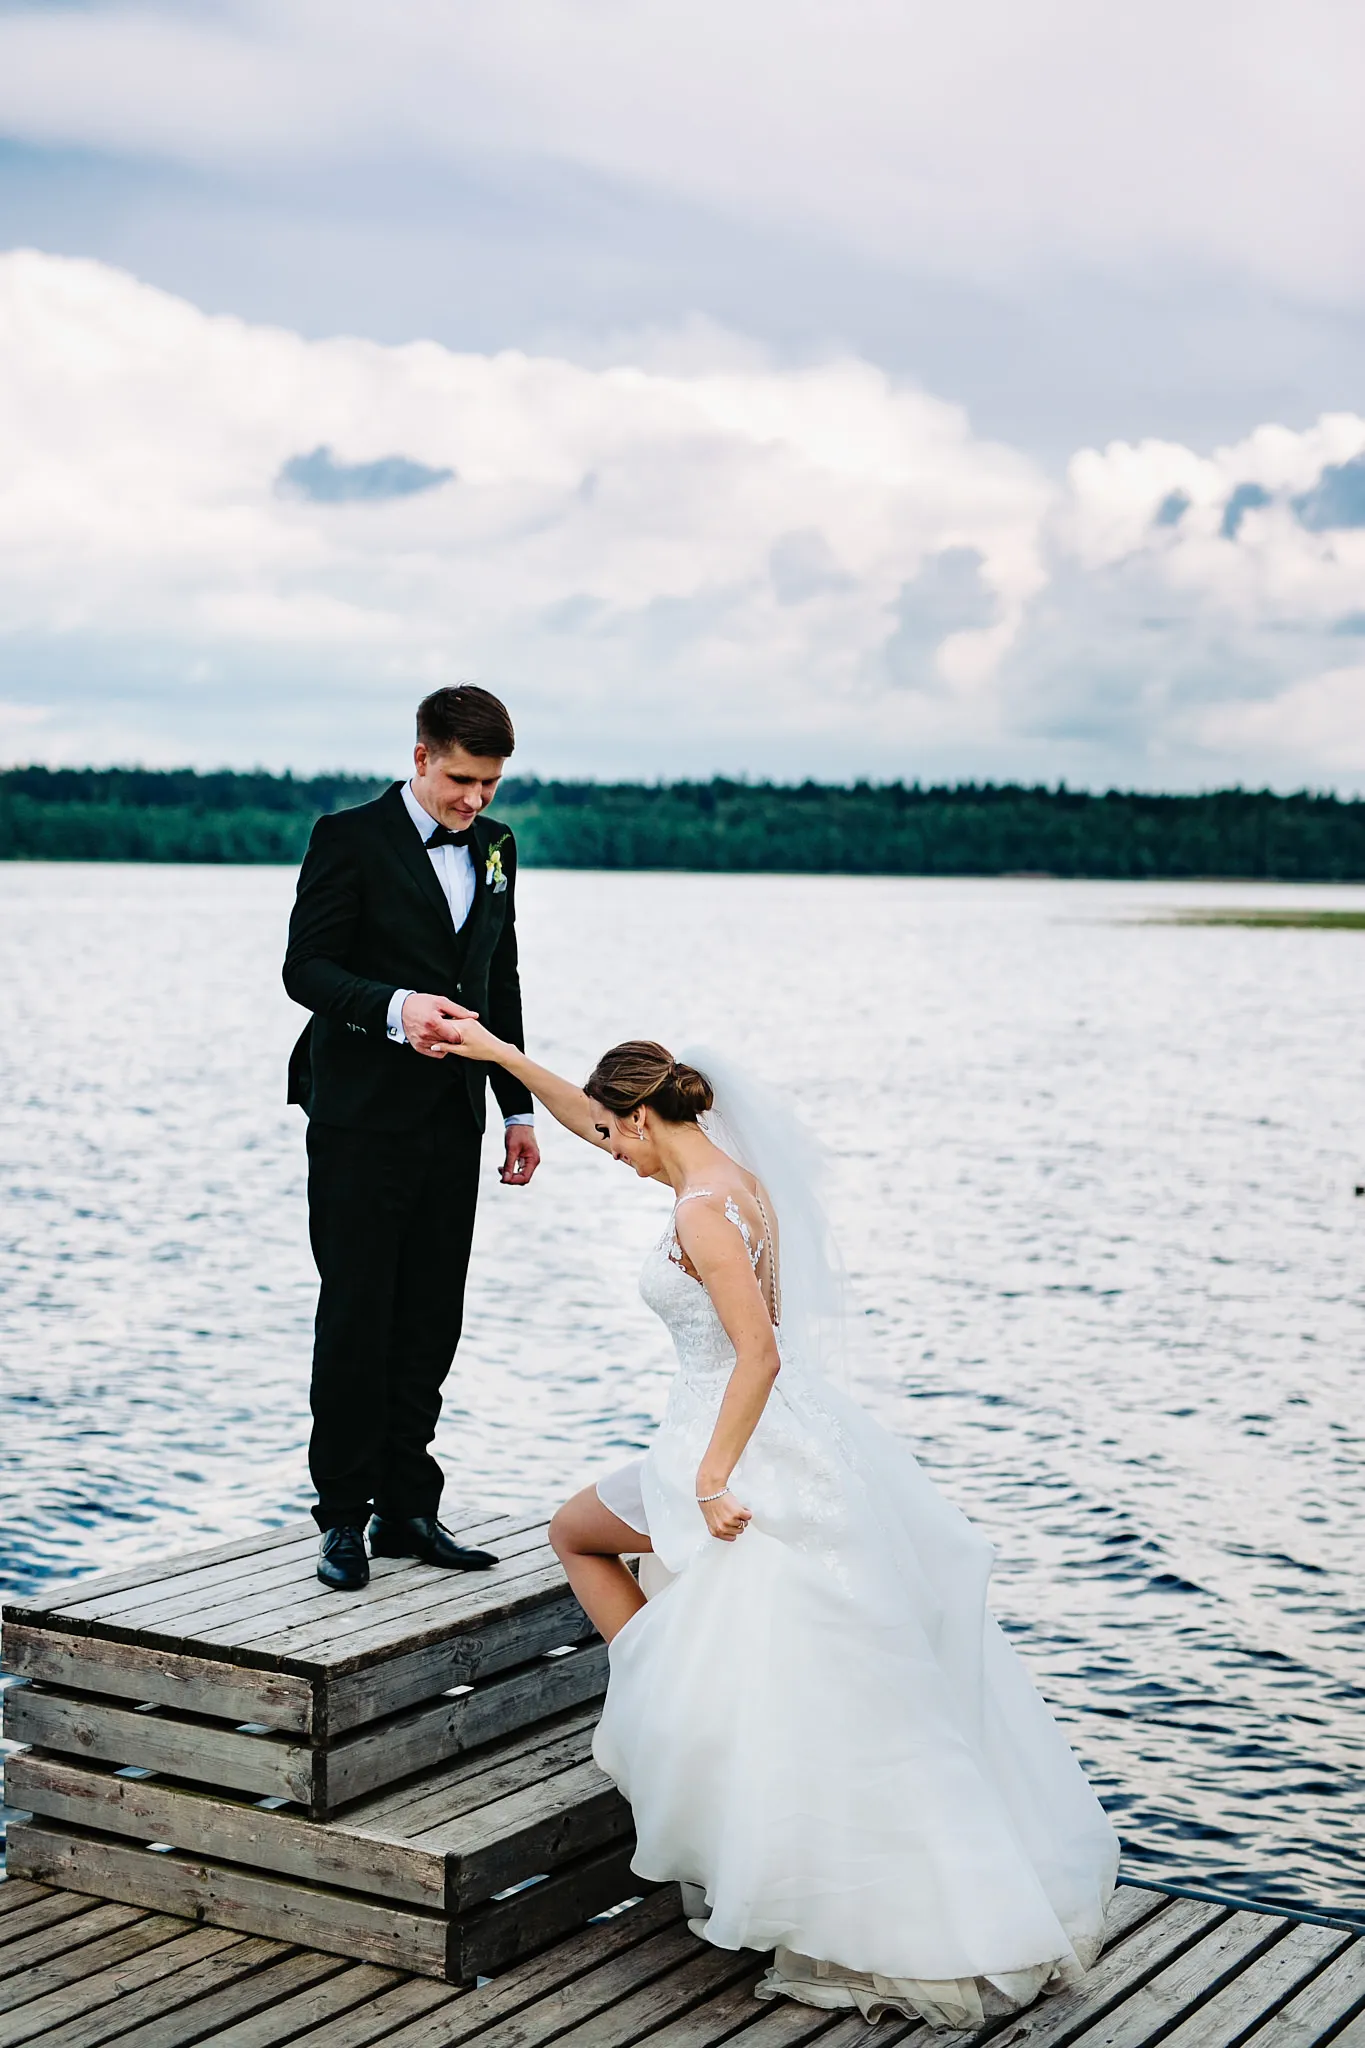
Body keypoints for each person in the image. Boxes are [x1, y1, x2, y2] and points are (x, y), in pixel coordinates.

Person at [439, 1024, 1120, 2030]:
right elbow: (594, 1125)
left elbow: (755, 1352)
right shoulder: (729, 1174)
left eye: (616, 1136)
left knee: (578, 1534)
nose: (609, 1152)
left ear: (644, 1117)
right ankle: (680, 1692)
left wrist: (713, 1475)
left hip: (724, 1435)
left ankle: (663, 1685)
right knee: (795, 1662)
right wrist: (497, 1049)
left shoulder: (703, 1212)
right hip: (776, 1434)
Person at [282, 685, 540, 1591]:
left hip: (452, 1119)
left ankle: (407, 1507)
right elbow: (305, 969)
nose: (476, 800)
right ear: (421, 755)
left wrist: (516, 1109)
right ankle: (342, 1518)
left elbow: (497, 978)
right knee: (357, 1315)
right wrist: (394, 1009)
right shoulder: (346, 838)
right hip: (356, 1115)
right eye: (463, 779)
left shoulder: (500, 849)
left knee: (431, 1315)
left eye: (492, 784)